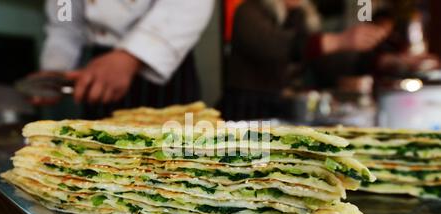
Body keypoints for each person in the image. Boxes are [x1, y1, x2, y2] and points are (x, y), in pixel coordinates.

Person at [32, 0, 215, 119]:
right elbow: (65, 17)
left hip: (160, 55)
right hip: (98, 67)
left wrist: (131, 56)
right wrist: (56, 68)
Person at [219, 0, 392, 121]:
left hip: (284, 108)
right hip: (247, 109)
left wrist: (383, 62)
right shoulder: (248, 11)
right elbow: (273, 45)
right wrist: (339, 41)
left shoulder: (301, 16)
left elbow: (326, 62)